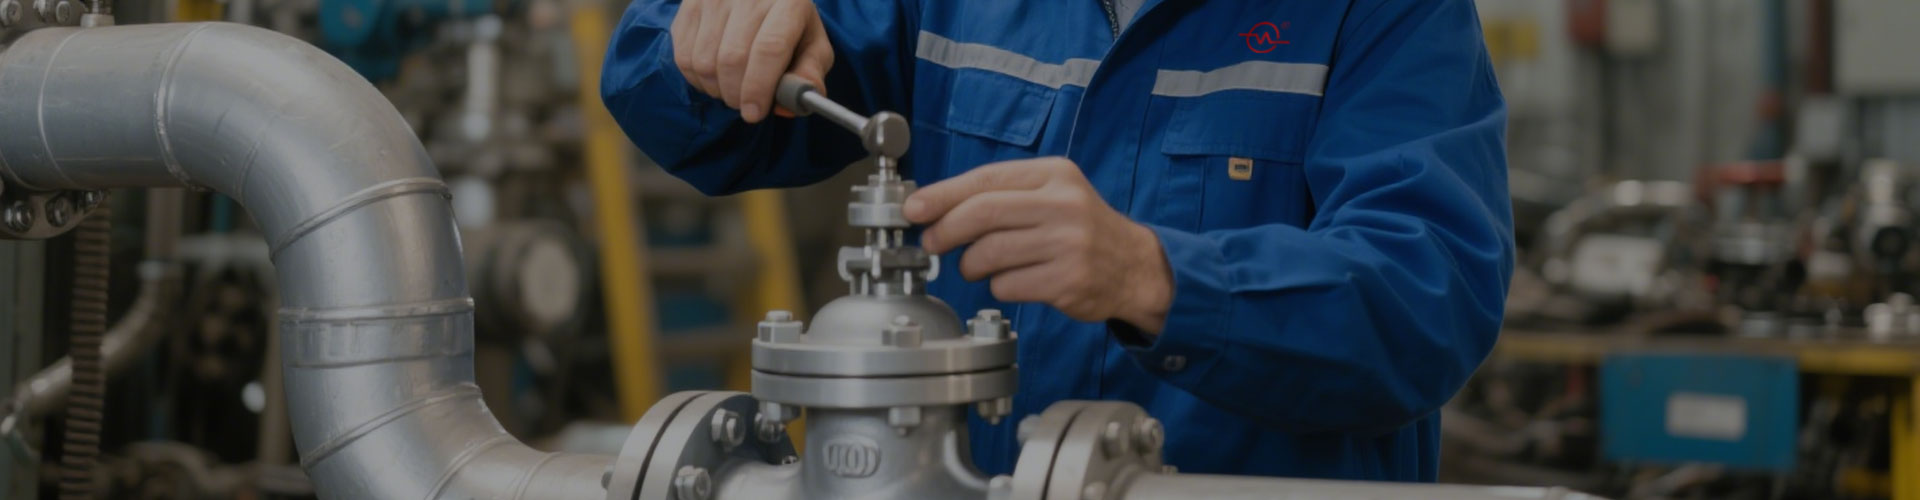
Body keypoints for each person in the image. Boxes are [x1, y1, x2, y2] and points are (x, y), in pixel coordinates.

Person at [601, 0, 1513, 482]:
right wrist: (714, 29)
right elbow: (673, 100)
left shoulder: (1388, 10)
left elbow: (1429, 293)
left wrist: (1157, 279)